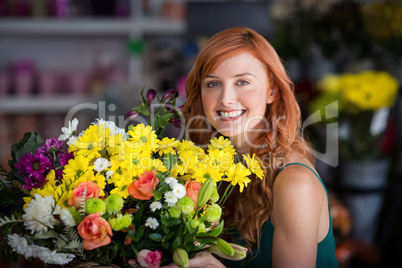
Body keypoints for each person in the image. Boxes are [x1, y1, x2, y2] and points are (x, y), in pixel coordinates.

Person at [164, 27, 338, 268]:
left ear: (272, 90)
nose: (226, 99)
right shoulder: (211, 167)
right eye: (213, 84)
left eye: (242, 82)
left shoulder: (295, 183)